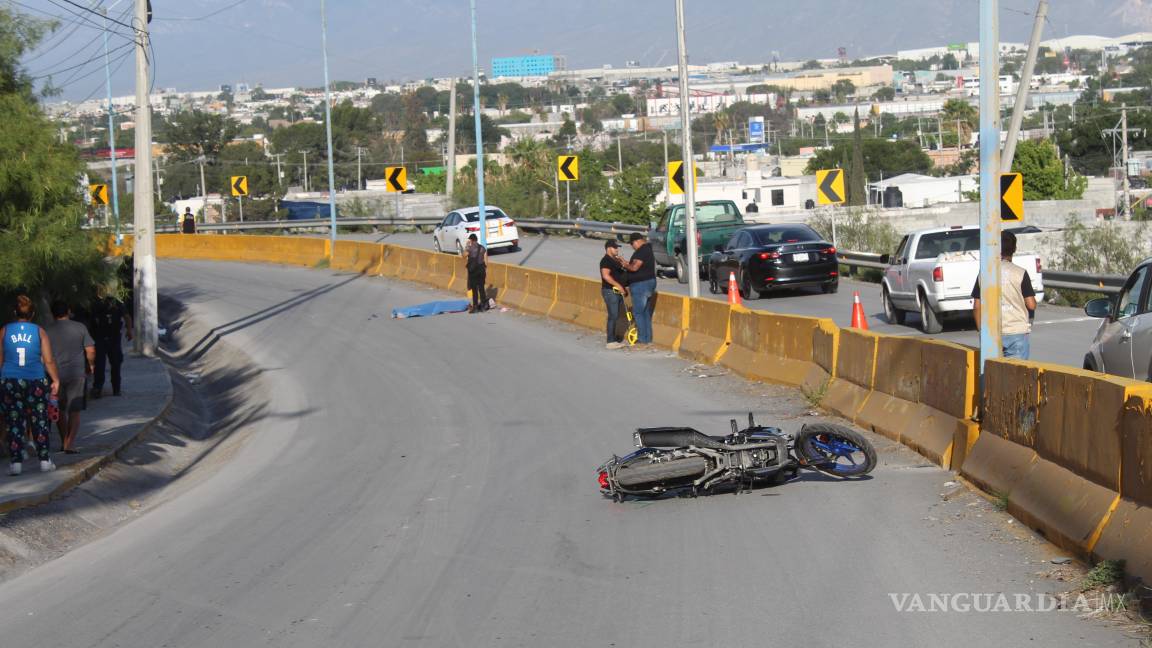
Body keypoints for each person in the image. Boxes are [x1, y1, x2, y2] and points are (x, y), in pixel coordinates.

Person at [0, 295, 61, 475]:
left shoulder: (4, 331)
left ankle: (16, 462)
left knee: (14, 420)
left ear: (14, 312)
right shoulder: (39, 331)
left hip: (10, 380)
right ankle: (44, 460)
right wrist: (55, 380)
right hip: (35, 379)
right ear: (33, 314)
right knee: (39, 419)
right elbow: (48, 360)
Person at [972, 231, 1038, 360]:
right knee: (1016, 375)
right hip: (1016, 331)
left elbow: (976, 306)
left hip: (991, 333)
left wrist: (982, 331)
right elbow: (1031, 304)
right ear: (1014, 249)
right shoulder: (1020, 273)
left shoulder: (985, 273)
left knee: (991, 375)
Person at [46, 301, 95, 454]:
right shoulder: (80, 328)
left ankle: (63, 441)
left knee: (60, 409)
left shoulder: (46, 331)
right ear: (68, 311)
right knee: (75, 410)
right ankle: (70, 443)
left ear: (53, 313)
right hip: (76, 374)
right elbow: (91, 350)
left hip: (55, 375)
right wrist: (91, 365)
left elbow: (43, 355)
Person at [89, 293, 133, 398]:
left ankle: (114, 388)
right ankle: (100, 388)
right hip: (101, 338)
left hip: (112, 338)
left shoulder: (116, 302)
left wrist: (129, 330)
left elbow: (127, 317)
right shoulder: (95, 303)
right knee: (101, 364)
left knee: (114, 363)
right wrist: (129, 331)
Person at [622, 232, 657, 346]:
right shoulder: (647, 249)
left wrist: (625, 265)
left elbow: (635, 267)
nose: (632, 247)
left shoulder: (642, 250)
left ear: (636, 241)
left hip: (640, 285)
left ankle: (642, 340)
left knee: (638, 313)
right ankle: (647, 339)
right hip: (648, 283)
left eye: (632, 244)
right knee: (645, 312)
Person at [599, 240, 629, 350]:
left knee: (616, 315)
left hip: (617, 291)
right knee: (613, 316)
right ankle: (610, 342)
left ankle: (614, 339)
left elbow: (626, 269)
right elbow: (606, 276)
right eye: (615, 247)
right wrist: (619, 286)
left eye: (617, 247)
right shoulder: (606, 261)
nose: (617, 249)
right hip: (610, 291)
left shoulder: (615, 260)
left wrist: (622, 261)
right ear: (608, 248)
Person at [463, 233, 489, 313]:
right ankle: (484, 305)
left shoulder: (470, 248)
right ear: (477, 239)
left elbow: (464, 255)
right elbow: (486, 261)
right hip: (481, 269)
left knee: (474, 289)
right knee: (481, 288)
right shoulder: (482, 248)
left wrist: (467, 246)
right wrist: (484, 269)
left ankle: (475, 307)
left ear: (471, 240)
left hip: (473, 270)